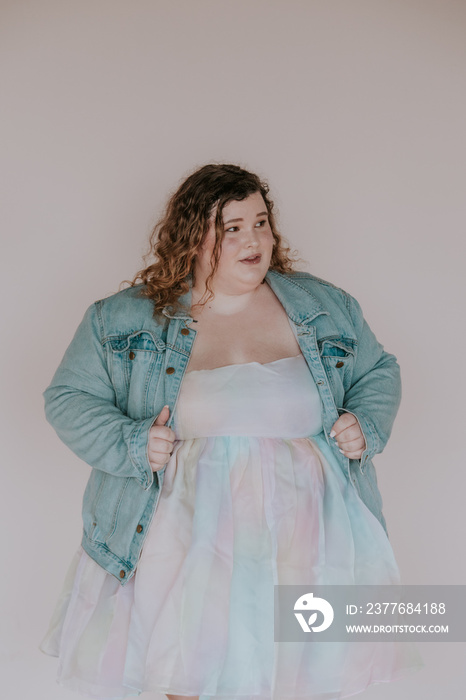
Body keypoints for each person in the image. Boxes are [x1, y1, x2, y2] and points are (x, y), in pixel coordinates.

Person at [40, 163, 423, 700]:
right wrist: (130, 442)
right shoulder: (125, 319)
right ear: (195, 236)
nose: (254, 240)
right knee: (186, 676)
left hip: (308, 529)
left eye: (261, 222)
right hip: (187, 529)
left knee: (298, 678)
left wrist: (366, 422)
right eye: (232, 226)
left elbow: (379, 371)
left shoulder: (323, 306)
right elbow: (68, 398)